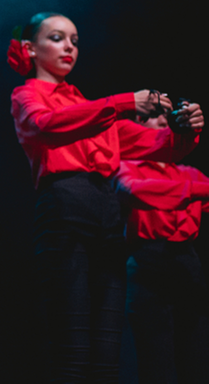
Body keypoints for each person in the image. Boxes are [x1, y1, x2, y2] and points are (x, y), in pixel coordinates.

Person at [7, 12, 201, 382]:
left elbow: (161, 146)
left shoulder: (87, 106)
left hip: (107, 213)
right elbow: (45, 125)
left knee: (107, 350)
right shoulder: (27, 95)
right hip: (65, 206)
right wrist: (124, 102)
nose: (69, 47)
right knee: (73, 347)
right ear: (30, 49)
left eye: (75, 41)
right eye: (57, 38)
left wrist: (184, 128)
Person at [114, 112, 209, 384]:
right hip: (147, 262)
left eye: (167, 118)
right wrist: (191, 191)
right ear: (137, 127)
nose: (165, 122)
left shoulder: (188, 172)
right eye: (154, 117)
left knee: (197, 353)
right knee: (154, 357)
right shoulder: (125, 167)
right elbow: (132, 190)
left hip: (187, 262)